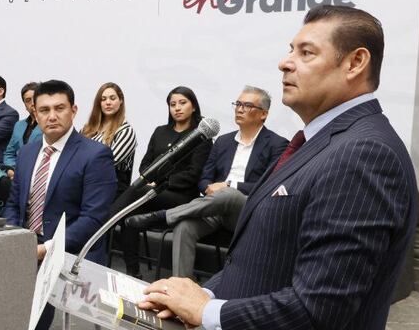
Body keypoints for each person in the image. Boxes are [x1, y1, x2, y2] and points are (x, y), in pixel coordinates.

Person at [139, 6, 418, 330]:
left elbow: (320, 309)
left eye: (305, 52)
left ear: (355, 63)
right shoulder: (320, 142)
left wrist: (209, 311)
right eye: (290, 50)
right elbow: (266, 256)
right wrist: (198, 292)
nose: (285, 63)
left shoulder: (360, 154)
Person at [5, 80, 117, 330]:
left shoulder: (95, 155)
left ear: (73, 110)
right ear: (34, 113)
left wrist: (45, 250)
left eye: (59, 108)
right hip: (26, 242)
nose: (51, 116)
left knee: (30, 295)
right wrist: (12, 240)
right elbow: (13, 204)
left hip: (69, 249)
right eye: (44, 110)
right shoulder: (28, 151)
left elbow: (94, 219)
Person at [126, 86, 288, 278]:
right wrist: (209, 188)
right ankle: (180, 284)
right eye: (238, 104)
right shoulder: (223, 141)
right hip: (215, 207)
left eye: (247, 105)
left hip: (247, 212)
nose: (239, 109)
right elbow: (204, 179)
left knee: (228, 193)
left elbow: (269, 185)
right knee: (184, 226)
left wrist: (229, 186)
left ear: (263, 114)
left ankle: (163, 215)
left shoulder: (278, 144)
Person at [113, 86, 212, 276]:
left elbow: (193, 174)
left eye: (182, 103)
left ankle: (106, 220)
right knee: (128, 217)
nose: (177, 108)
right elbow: (145, 165)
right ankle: (132, 272)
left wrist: (158, 182)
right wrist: (152, 181)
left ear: (193, 107)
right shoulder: (160, 131)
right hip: (152, 194)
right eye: (172, 104)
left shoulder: (200, 137)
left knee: (135, 193)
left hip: (180, 196)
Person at [81, 82, 137, 194]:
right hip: (84, 185)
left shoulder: (126, 131)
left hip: (109, 189)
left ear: (121, 101)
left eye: (112, 98)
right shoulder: (87, 129)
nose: (108, 102)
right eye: (103, 99)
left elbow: (107, 163)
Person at [3, 82, 42, 178]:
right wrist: (11, 169)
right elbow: (9, 153)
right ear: (25, 105)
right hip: (16, 174)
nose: (32, 103)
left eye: (35, 98)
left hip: (38, 175)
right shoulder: (19, 125)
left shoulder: (50, 124)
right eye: (28, 100)